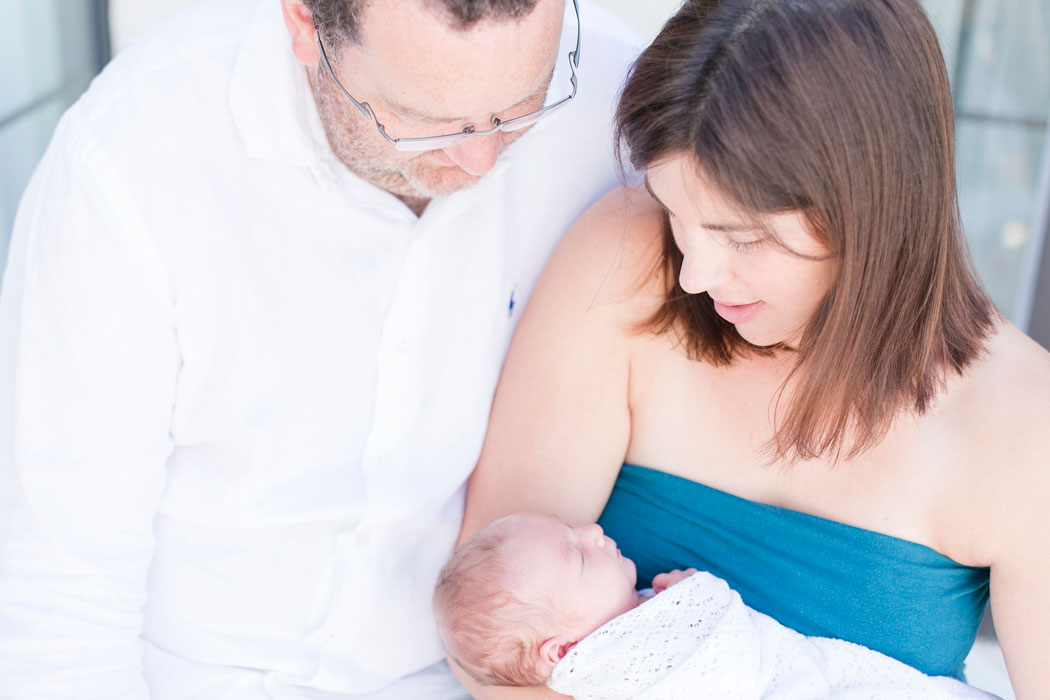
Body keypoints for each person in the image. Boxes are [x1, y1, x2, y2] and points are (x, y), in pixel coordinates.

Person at [0, 0, 639, 697]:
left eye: (524, 105)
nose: (479, 159)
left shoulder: (619, 101)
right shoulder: (134, 153)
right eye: (423, 119)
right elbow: (60, 584)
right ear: (305, 23)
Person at [457, 0, 1050, 698]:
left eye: (745, 238)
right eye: (677, 214)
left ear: (875, 207)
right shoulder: (623, 261)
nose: (694, 274)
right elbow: (500, 656)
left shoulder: (1023, 427)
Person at [434, 513, 1000, 699]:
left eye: (570, 528)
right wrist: (697, 595)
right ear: (565, 649)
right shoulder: (634, 664)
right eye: (578, 555)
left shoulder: (621, 636)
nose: (591, 529)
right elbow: (727, 674)